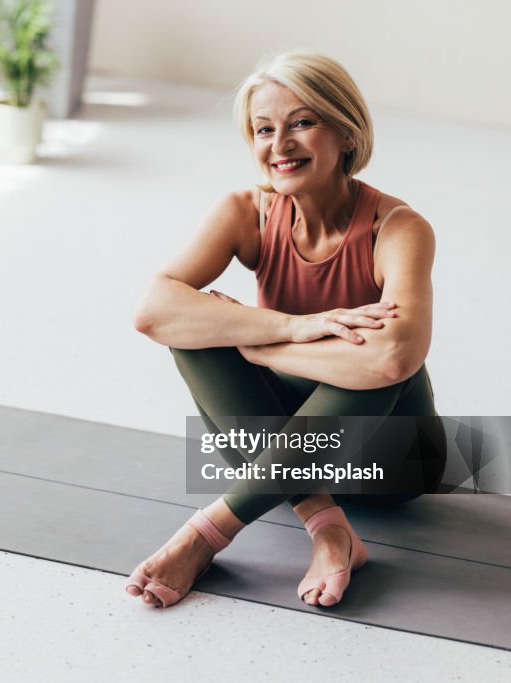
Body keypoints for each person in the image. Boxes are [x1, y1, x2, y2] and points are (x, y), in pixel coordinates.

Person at [126, 51, 445, 609]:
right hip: (290, 445)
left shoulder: (398, 229)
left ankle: (206, 534)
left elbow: (394, 359)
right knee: (192, 332)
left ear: (346, 132)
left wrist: (252, 343)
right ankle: (327, 527)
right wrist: (292, 328)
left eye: (302, 122)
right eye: (263, 129)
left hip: (394, 459)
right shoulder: (246, 211)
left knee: (373, 360)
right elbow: (153, 311)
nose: (280, 145)